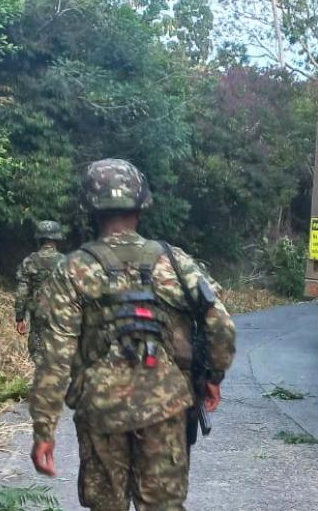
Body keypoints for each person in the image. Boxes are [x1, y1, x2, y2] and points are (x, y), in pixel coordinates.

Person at [29, 158, 236, 510]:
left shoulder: (73, 269)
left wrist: (44, 430)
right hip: (166, 405)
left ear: (89, 211)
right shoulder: (174, 261)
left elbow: (54, 358)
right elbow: (220, 324)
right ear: (141, 206)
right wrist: (212, 376)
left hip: (101, 411)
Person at [14, 220, 66, 366]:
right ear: (57, 238)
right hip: (61, 315)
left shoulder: (30, 261)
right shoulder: (65, 262)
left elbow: (22, 292)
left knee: (38, 351)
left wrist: (20, 317)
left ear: (39, 239)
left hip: (38, 315)